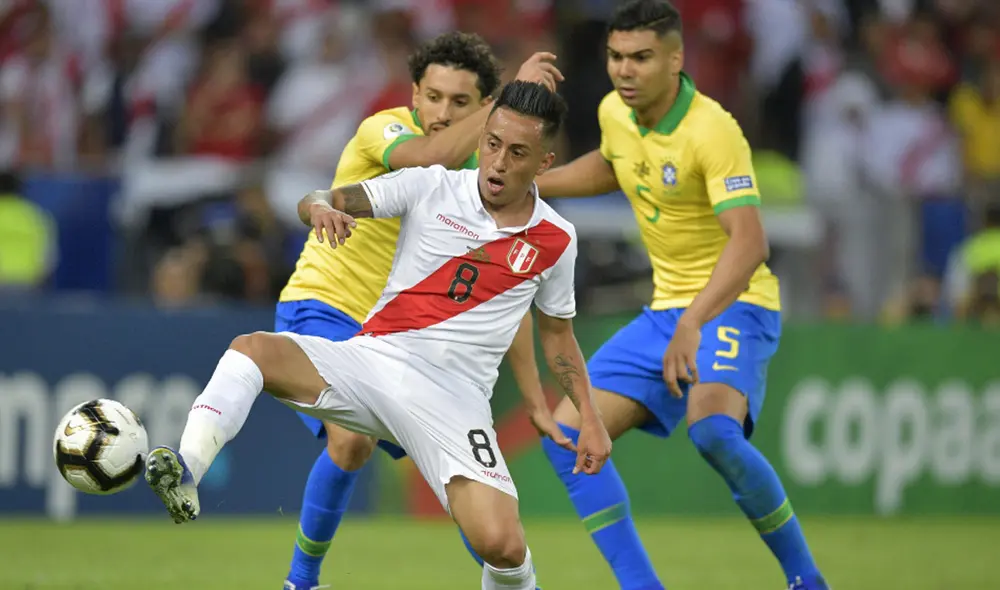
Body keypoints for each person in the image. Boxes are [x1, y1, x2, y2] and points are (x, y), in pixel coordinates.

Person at [144, 80, 614, 590]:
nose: (497, 162)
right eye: (492, 144)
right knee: (252, 350)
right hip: (373, 361)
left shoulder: (556, 240)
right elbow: (325, 197)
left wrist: (590, 417)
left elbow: (557, 337)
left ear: (544, 162)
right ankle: (187, 470)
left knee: (502, 546)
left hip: (455, 401)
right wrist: (321, 207)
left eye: (517, 152)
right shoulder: (430, 185)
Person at [530, 2, 828, 589]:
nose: (624, 70)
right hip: (667, 310)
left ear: (675, 59)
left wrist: (694, 320)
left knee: (713, 430)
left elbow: (749, 243)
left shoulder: (712, 130)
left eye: (641, 57)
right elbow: (615, 165)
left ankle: (808, 582)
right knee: (567, 438)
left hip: (733, 302)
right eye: (616, 56)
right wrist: (534, 183)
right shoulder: (616, 113)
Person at [270, 32, 569, 589]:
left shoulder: (482, 182)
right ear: (414, 94)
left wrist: (534, 400)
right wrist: (512, 94)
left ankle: (509, 576)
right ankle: (301, 581)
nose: (441, 112)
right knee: (351, 441)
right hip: (328, 302)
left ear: (480, 108)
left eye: (460, 102)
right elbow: (431, 155)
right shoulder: (386, 130)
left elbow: (506, 303)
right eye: (433, 97)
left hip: (406, 340)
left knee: (461, 477)